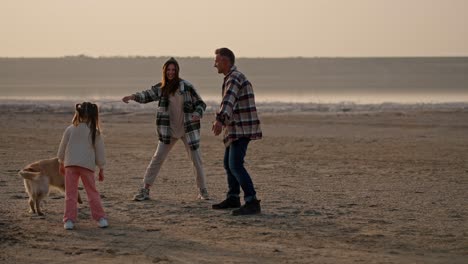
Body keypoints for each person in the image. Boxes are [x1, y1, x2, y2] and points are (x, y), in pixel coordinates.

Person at [122, 57, 209, 201]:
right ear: (164, 71)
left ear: (177, 71)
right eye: (168, 70)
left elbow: (201, 103)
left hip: (188, 130)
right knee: (157, 158)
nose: (171, 72)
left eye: (173, 70)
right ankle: (145, 190)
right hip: (168, 131)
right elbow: (147, 95)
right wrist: (132, 96)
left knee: (196, 160)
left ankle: (203, 191)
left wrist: (197, 113)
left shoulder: (186, 86)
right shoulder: (161, 88)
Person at [211, 48, 263, 215]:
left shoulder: (234, 78)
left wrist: (219, 120)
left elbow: (228, 101)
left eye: (217, 61)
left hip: (241, 128)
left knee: (235, 164)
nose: (214, 64)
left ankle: (252, 201)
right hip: (235, 128)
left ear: (225, 62)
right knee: (229, 163)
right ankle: (233, 197)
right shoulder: (232, 77)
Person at [57, 102, 108, 230]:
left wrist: (61, 162)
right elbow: (100, 152)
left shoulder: (70, 129)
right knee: (92, 193)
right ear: (93, 115)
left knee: (70, 194)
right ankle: (100, 218)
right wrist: (101, 168)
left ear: (78, 114)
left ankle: (69, 220)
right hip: (87, 166)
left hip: (70, 165)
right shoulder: (95, 132)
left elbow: (62, 147)